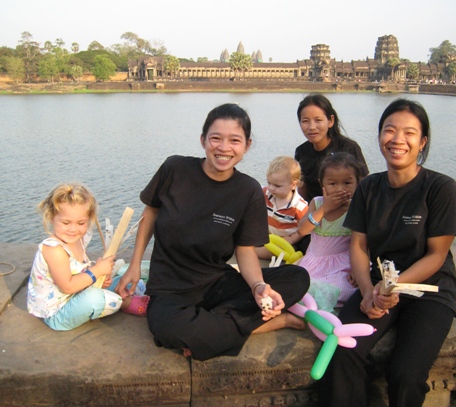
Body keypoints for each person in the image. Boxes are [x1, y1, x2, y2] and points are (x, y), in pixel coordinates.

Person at [320, 99, 456, 407]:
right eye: (389, 130)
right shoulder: (368, 187)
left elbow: (436, 255)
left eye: (409, 133)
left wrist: (393, 286)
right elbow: (359, 246)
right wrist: (367, 291)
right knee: (342, 346)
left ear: (423, 143)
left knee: (406, 370)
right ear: (379, 135)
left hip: (428, 289)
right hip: (378, 285)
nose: (396, 139)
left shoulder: (440, 188)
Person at [116, 103, 310, 361]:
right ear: (203, 140)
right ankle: (256, 324)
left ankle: (211, 330)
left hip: (216, 282)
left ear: (247, 145)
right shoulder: (175, 169)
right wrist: (135, 264)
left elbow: (244, 250)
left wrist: (258, 286)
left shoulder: (248, 190)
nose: (224, 147)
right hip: (171, 288)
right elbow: (150, 212)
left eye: (235, 140)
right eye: (216, 138)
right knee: (166, 330)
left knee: (297, 277)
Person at [27, 182, 124, 331]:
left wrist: (99, 277)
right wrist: (96, 271)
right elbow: (67, 286)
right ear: (51, 217)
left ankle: (121, 293)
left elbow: (77, 272)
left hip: (73, 297)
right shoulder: (54, 250)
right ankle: (126, 302)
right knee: (94, 298)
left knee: (121, 279)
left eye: (81, 223)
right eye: (66, 222)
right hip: (56, 313)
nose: (73, 229)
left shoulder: (77, 239)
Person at [296, 152, 364, 311]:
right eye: (333, 184)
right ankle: (311, 300)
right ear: (322, 184)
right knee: (299, 284)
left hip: (343, 264)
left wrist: (357, 268)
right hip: (315, 261)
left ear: (358, 182)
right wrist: (325, 209)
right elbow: (302, 230)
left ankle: (314, 302)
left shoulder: (358, 207)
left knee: (344, 288)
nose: (340, 189)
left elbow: (362, 242)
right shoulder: (318, 203)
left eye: (347, 183)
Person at [294, 93, 368, 202]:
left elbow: (365, 187)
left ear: (330, 121)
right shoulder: (301, 151)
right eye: (305, 121)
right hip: (315, 212)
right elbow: (302, 195)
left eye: (318, 120)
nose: (311, 127)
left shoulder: (349, 148)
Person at [255, 156, 309, 260]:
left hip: (284, 242)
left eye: (277, 186)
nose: (271, 188)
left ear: (293, 185)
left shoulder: (299, 206)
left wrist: (292, 239)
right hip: (266, 235)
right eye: (269, 183)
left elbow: (306, 228)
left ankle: (251, 252)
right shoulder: (266, 193)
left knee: (269, 251)